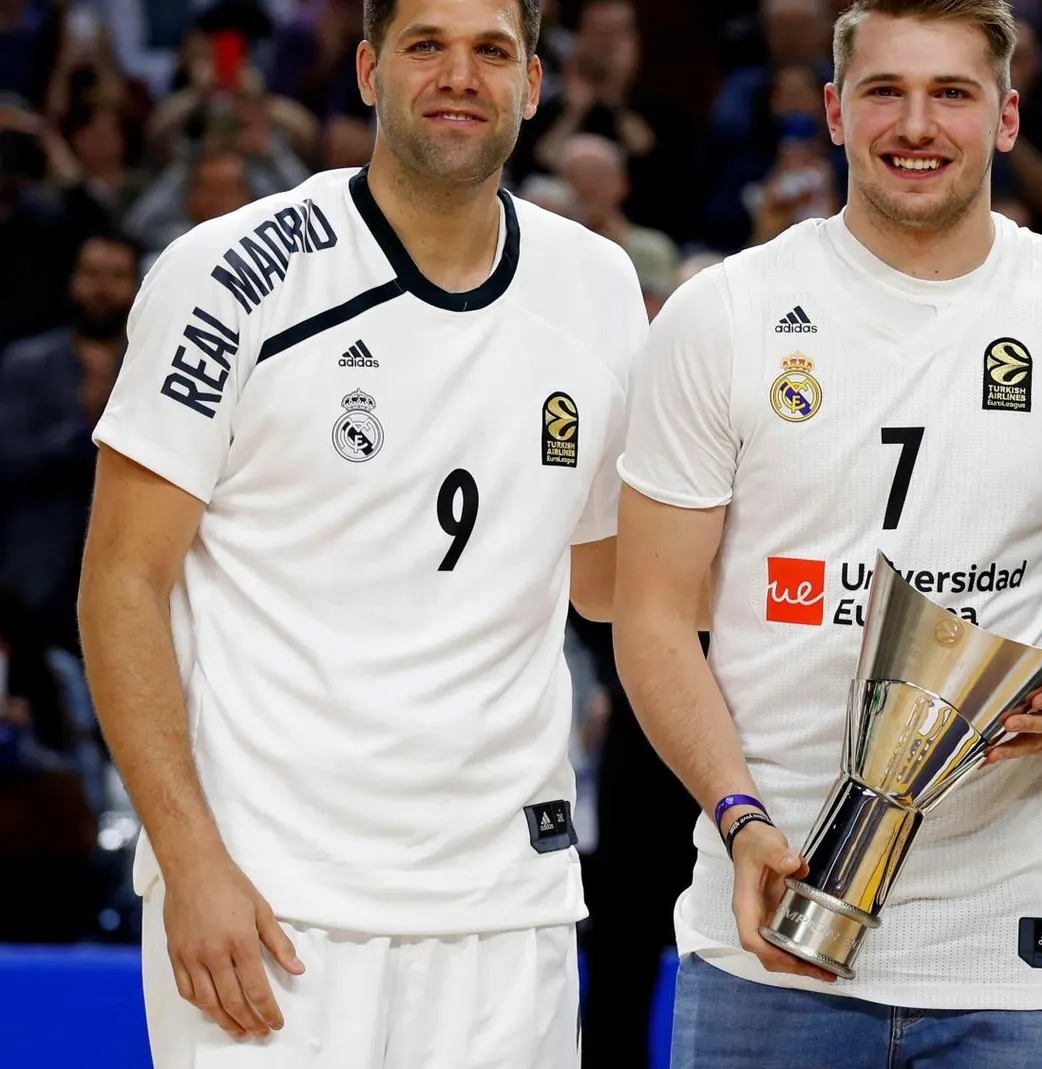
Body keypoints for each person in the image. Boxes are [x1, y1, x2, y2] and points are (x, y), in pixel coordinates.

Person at [612, 1, 1042, 1066]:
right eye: (884, 91)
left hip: (1009, 942)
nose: (915, 124)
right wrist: (738, 818)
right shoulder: (721, 315)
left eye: (951, 94)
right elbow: (647, 615)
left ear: (1007, 119)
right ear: (833, 110)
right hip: (765, 932)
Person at [75, 0, 645, 1060]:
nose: (459, 77)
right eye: (427, 46)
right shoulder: (228, 272)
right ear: (371, 70)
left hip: (504, 892)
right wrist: (187, 857)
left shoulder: (599, 286)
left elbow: (611, 585)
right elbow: (120, 582)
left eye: (491, 52)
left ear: (532, 82)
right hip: (271, 896)